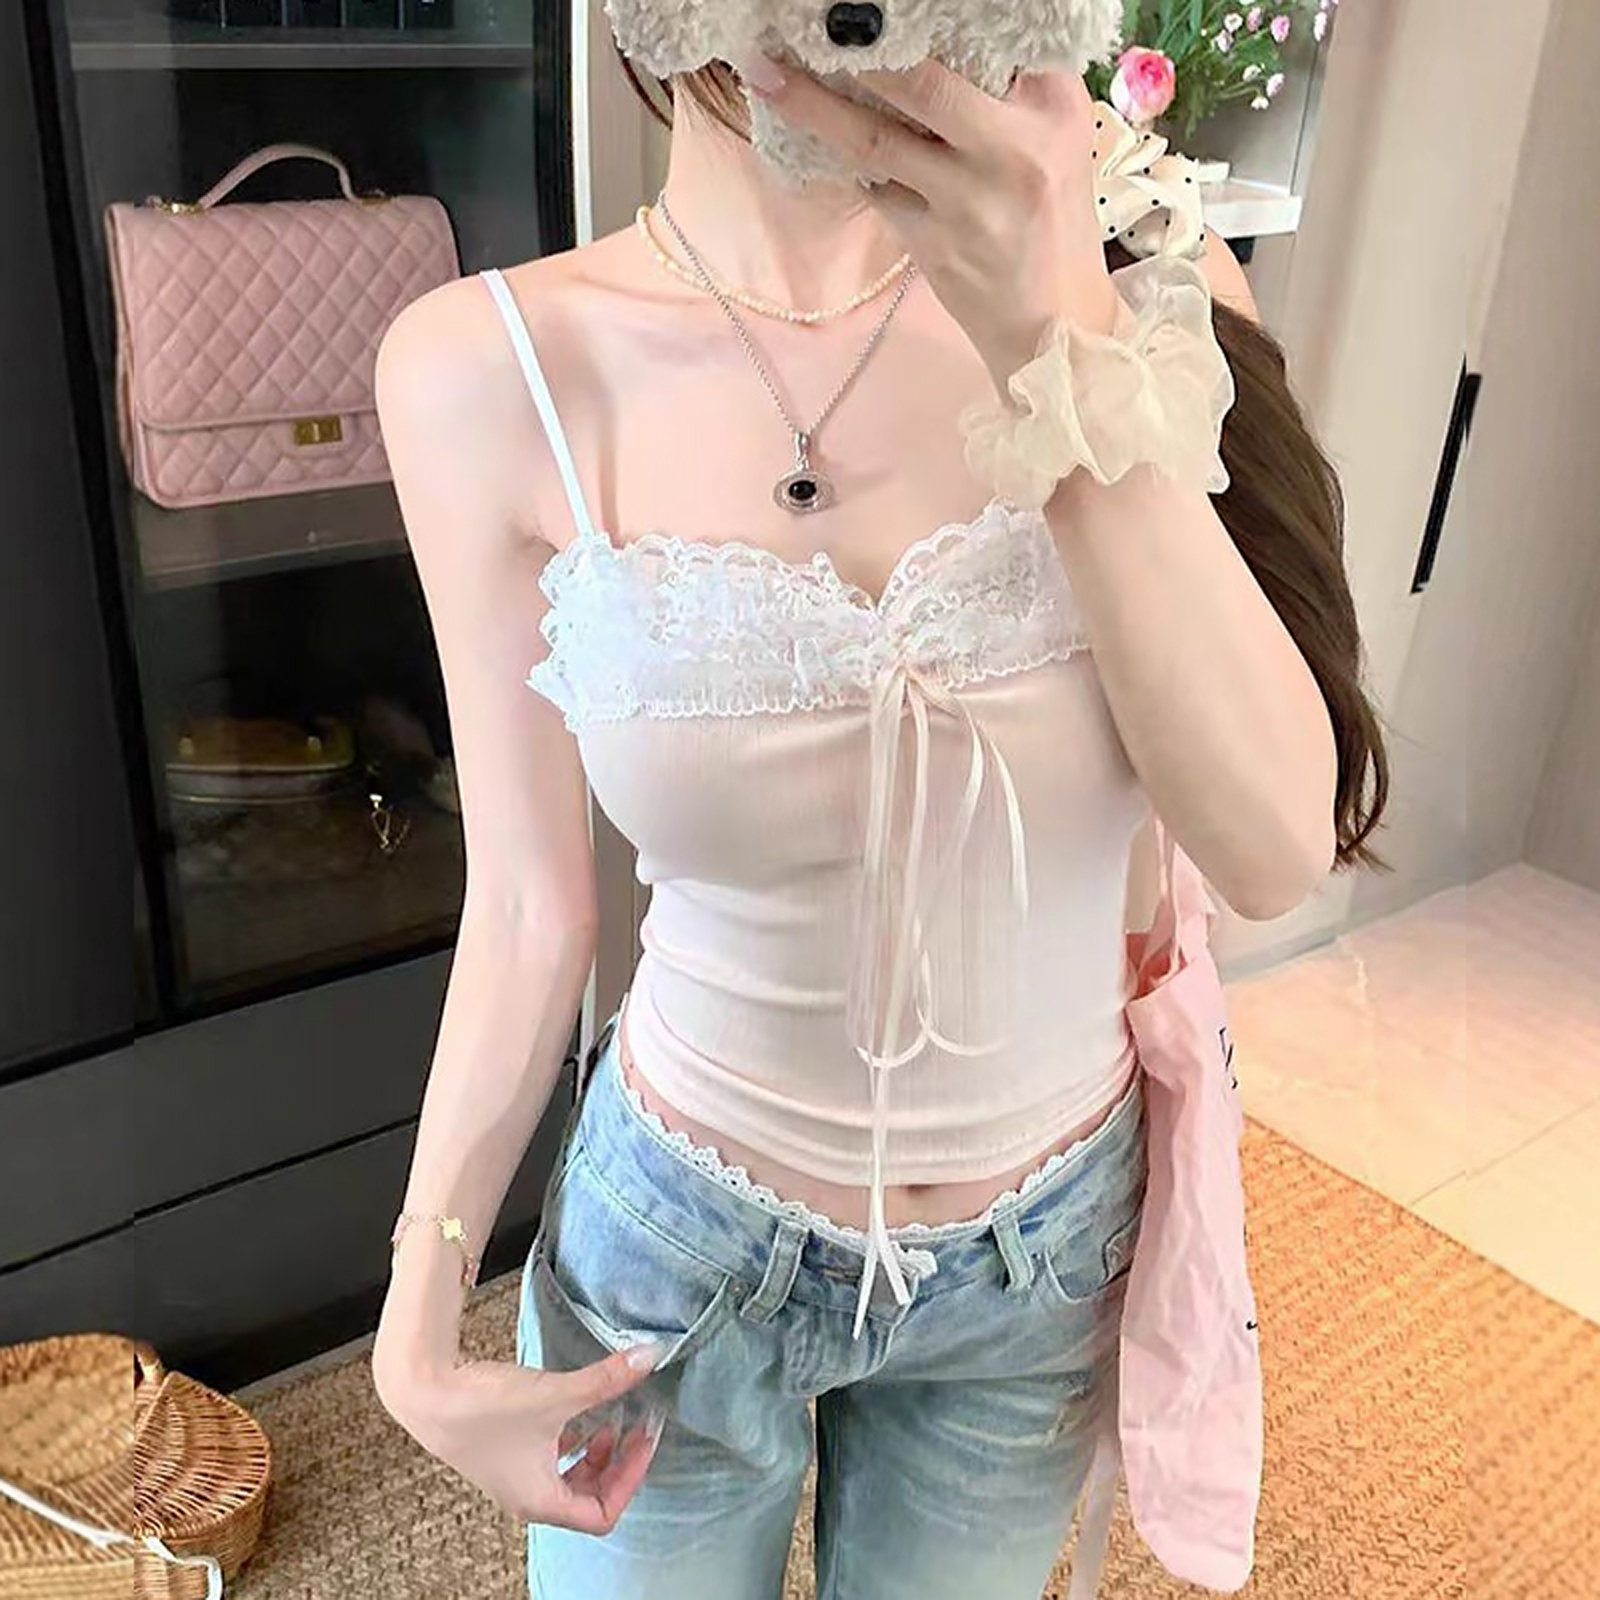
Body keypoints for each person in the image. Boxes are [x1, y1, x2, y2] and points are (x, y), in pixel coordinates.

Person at [370, 43, 1387, 1600]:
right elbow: (525, 900)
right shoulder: (483, 368)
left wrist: (1055, 336)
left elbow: (1270, 850)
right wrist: (417, 1309)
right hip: (679, 1239)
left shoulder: (1156, 299)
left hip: (1040, 1258)